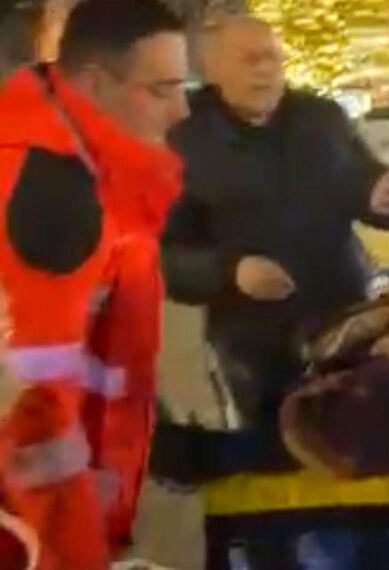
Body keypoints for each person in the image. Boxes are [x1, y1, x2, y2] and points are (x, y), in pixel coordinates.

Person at [152, 15, 389, 570]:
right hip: (252, 350)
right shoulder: (180, 140)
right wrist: (231, 271)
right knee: (273, 500)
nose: (266, 69)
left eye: (272, 56)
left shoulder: (322, 117)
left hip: (346, 329)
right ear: (210, 69)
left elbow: (367, 187)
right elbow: (161, 255)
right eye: (249, 59)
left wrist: (386, 199)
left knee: (366, 473)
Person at [0, 0, 190, 567]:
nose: (182, 109)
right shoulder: (49, 193)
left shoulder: (88, 171)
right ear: (95, 83)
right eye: (162, 89)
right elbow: (32, 408)